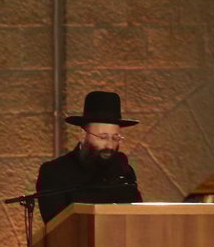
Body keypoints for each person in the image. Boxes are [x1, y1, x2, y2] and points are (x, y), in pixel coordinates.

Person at [35, 91, 144, 224]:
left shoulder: (124, 172)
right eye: (103, 137)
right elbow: (57, 226)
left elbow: (137, 218)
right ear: (83, 134)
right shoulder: (54, 172)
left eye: (115, 138)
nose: (109, 145)